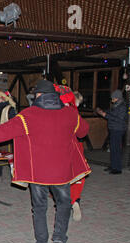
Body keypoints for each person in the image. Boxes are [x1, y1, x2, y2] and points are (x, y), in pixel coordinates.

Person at [0, 79, 91, 243]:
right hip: (62, 173)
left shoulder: (28, 115)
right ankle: (59, 239)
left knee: (39, 208)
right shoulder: (70, 114)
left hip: (37, 173)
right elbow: (83, 132)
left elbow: (3, 131)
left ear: (38, 95)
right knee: (63, 205)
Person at [54, 85, 87, 222]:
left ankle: (66, 203)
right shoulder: (74, 113)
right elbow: (83, 131)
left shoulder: (56, 110)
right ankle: (75, 201)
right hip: (75, 147)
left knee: (59, 178)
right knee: (76, 176)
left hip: (58, 148)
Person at [96, 90, 127, 174]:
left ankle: (117, 168)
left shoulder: (122, 107)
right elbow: (111, 112)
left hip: (118, 129)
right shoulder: (117, 105)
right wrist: (102, 111)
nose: (112, 100)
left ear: (117, 98)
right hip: (114, 129)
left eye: (113, 98)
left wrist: (105, 115)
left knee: (116, 149)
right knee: (113, 148)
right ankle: (113, 165)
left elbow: (118, 119)